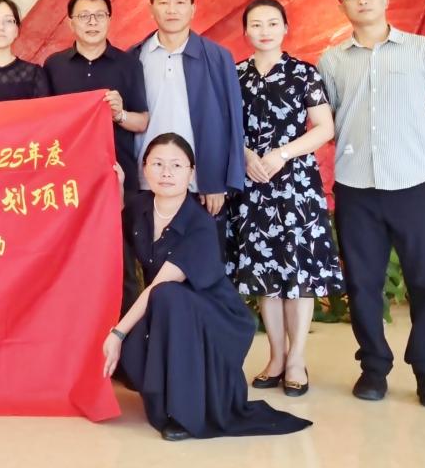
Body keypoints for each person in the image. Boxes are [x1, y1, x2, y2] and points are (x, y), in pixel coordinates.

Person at [102, 133, 311, 441]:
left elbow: (160, 284)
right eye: (157, 164)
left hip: (214, 315)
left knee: (167, 296)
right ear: (144, 169)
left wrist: (117, 333)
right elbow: (117, 225)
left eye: (176, 165)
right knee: (156, 319)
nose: (166, 172)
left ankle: (185, 414)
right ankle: (166, 398)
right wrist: (118, 189)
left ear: (191, 173)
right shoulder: (140, 207)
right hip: (168, 311)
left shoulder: (199, 222)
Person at [318, 0, 425, 408]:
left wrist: (413, 151)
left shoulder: (423, 49)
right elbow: (328, 121)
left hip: (415, 185)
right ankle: (374, 368)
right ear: (342, 5)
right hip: (357, 187)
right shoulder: (332, 61)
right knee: (363, 283)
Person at [230, 0, 342, 397]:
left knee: (296, 272)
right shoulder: (235, 74)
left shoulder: (303, 72)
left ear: (285, 28)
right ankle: (276, 357)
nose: (264, 31)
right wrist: (246, 156)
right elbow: (227, 126)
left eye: (272, 23)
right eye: (256, 24)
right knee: (266, 274)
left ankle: (297, 359)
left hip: (295, 183)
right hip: (252, 182)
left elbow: (324, 127)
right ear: (246, 31)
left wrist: (281, 154)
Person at [44, 0, 148, 314]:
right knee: (72, 260)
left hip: (118, 178)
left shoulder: (129, 64)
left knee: (122, 262)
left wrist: (120, 114)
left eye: (99, 15)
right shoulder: (54, 66)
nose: (92, 22)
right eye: (84, 16)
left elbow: (142, 121)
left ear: (109, 20)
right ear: (70, 22)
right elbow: (45, 123)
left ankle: (127, 340)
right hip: (68, 182)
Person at [132, 0, 245, 231]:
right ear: (151, 8)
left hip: (200, 183)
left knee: (204, 253)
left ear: (193, 9)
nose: (172, 10)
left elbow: (232, 123)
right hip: (146, 180)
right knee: (149, 253)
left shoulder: (217, 57)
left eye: (180, 2)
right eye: (164, 2)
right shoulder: (135, 56)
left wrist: (215, 182)